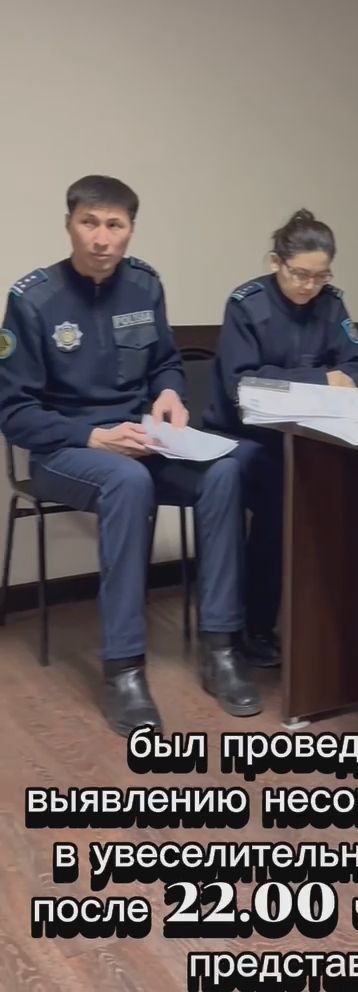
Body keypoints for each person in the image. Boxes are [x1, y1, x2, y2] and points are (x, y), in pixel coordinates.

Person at [0, 175, 261, 736]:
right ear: (69, 225)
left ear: (130, 230)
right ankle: (124, 670)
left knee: (224, 470)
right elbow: (14, 414)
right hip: (65, 450)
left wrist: (170, 394)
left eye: (114, 225)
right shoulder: (32, 299)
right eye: (89, 223)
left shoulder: (145, 285)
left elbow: (165, 362)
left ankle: (222, 648)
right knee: (128, 482)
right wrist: (94, 437)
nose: (101, 238)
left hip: (141, 440)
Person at [203, 209, 358, 667]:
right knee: (280, 490)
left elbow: (357, 366)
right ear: (276, 262)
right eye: (300, 275)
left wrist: (329, 380)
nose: (309, 286)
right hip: (240, 438)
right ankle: (252, 626)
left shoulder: (331, 304)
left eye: (320, 276)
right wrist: (319, 379)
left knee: (354, 481)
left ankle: (335, 618)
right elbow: (242, 386)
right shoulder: (247, 304)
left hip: (308, 434)